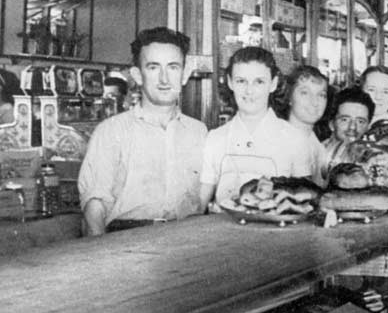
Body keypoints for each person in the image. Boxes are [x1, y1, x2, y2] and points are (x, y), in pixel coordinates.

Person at [78, 27, 208, 236]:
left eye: (173, 67)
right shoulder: (111, 132)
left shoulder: (199, 132)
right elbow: (95, 206)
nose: (164, 79)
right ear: (138, 75)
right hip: (126, 241)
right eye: (153, 67)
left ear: (184, 74)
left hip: (187, 241)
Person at [199, 47, 312, 210]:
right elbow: (201, 204)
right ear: (230, 82)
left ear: (273, 84)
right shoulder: (215, 138)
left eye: (259, 82)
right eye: (241, 81)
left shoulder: (295, 138)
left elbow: (304, 201)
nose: (249, 90)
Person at [281, 65, 330, 185]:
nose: (314, 102)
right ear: (289, 98)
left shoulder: (316, 143)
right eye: (305, 93)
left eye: (321, 95)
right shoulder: (284, 140)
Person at [323, 87, 374, 171]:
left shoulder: (372, 159)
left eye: (360, 121)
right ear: (331, 124)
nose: (352, 127)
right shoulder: (317, 156)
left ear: (368, 126)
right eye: (345, 120)